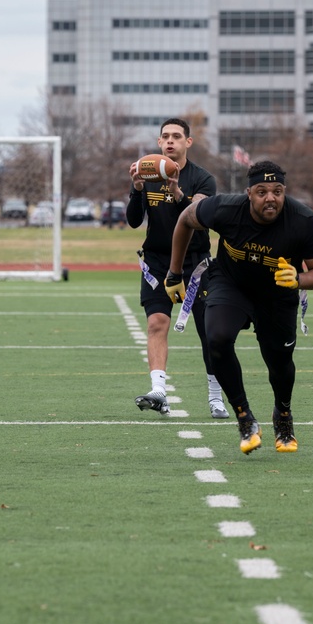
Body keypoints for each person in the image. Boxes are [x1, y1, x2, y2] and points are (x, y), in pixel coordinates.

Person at [164, 161, 313, 454]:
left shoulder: (304, 220)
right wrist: (174, 273)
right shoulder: (225, 209)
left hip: (278, 295)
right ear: (248, 193)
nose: (271, 198)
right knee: (216, 338)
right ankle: (244, 417)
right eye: (262, 191)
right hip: (232, 285)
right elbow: (185, 221)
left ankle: (282, 415)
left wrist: (299, 279)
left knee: (279, 362)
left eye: (277, 191)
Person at [126, 118, 228, 419]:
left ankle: (215, 396)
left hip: (195, 264)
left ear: (188, 142)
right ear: (159, 143)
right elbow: (133, 221)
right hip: (157, 261)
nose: (170, 141)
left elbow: (201, 220)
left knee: (210, 333)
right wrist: (136, 189)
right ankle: (159, 392)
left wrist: (178, 194)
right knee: (157, 323)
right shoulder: (147, 171)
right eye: (165, 137)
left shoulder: (202, 178)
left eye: (176, 136)